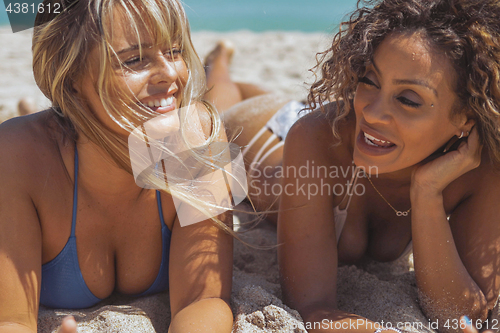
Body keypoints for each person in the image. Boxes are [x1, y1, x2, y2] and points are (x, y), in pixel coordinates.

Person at [0, 0, 236, 332]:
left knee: (228, 98)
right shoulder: (13, 156)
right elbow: (10, 320)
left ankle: (220, 60)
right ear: (70, 80)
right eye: (134, 59)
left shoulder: (198, 135)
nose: (171, 74)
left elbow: (204, 300)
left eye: (175, 51)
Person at [270, 0, 500, 331]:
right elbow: (310, 306)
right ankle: (220, 66)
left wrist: (427, 193)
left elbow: (463, 318)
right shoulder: (317, 139)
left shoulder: (481, 170)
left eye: (408, 99)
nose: (373, 113)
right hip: (271, 137)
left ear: (464, 118)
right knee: (232, 95)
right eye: (369, 80)